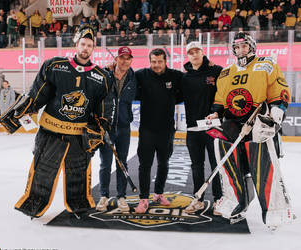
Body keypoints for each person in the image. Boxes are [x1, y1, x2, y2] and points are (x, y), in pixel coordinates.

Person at [0, 24, 115, 218]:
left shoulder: (102, 77)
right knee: (42, 170)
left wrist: (99, 127)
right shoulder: (55, 66)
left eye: (89, 45)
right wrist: (22, 113)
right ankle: (34, 205)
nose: (85, 48)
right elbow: (37, 96)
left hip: (78, 136)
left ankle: (79, 206)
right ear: (76, 44)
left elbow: (103, 110)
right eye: (83, 44)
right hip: (50, 132)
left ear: (93, 48)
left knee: (78, 173)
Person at [207, 32, 291, 225]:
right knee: (231, 164)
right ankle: (237, 201)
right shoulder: (226, 71)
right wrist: (216, 113)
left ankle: (273, 210)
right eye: (237, 47)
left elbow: (279, 89)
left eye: (244, 46)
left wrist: (278, 108)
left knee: (263, 165)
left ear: (251, 46)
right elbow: (220, 99)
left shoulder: (266, 64)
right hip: (232, 124)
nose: (240, 50)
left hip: (258, 122)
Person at [134, 48, 183, 213]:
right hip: (147, 130)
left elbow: (190, 78)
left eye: (159, 61)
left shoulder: (175, 76)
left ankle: (159, 193)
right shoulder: (141, 75)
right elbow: (125, 77)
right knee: (144, 165)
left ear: (165, 61)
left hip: (167, 130)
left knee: (164, 163)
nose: (156, 65)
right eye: (153, 61)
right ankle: (143, 199)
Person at [180, 41, 223, 215]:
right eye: (191, 52)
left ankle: (218, 200)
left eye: (197, 51)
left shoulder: (216, 71)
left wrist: (217, 112)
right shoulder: (184, 77)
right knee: (196, 166)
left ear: (203, 53)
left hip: (212, 127)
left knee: (216, 165)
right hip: (193, 129)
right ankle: (197, 199)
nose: (194, 55)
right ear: (188, 56)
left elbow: (224, 94)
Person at [96, 46, 137, 212]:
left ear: (131, 60)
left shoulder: (134, 78)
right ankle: (104, 196)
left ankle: (121, 196)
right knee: (105, 163)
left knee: (122, 163)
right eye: (122, 58)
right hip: (107, 126)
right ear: (116, 59)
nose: (124, 61)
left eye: (128, 58)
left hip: (124, 127)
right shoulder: (105, 75)